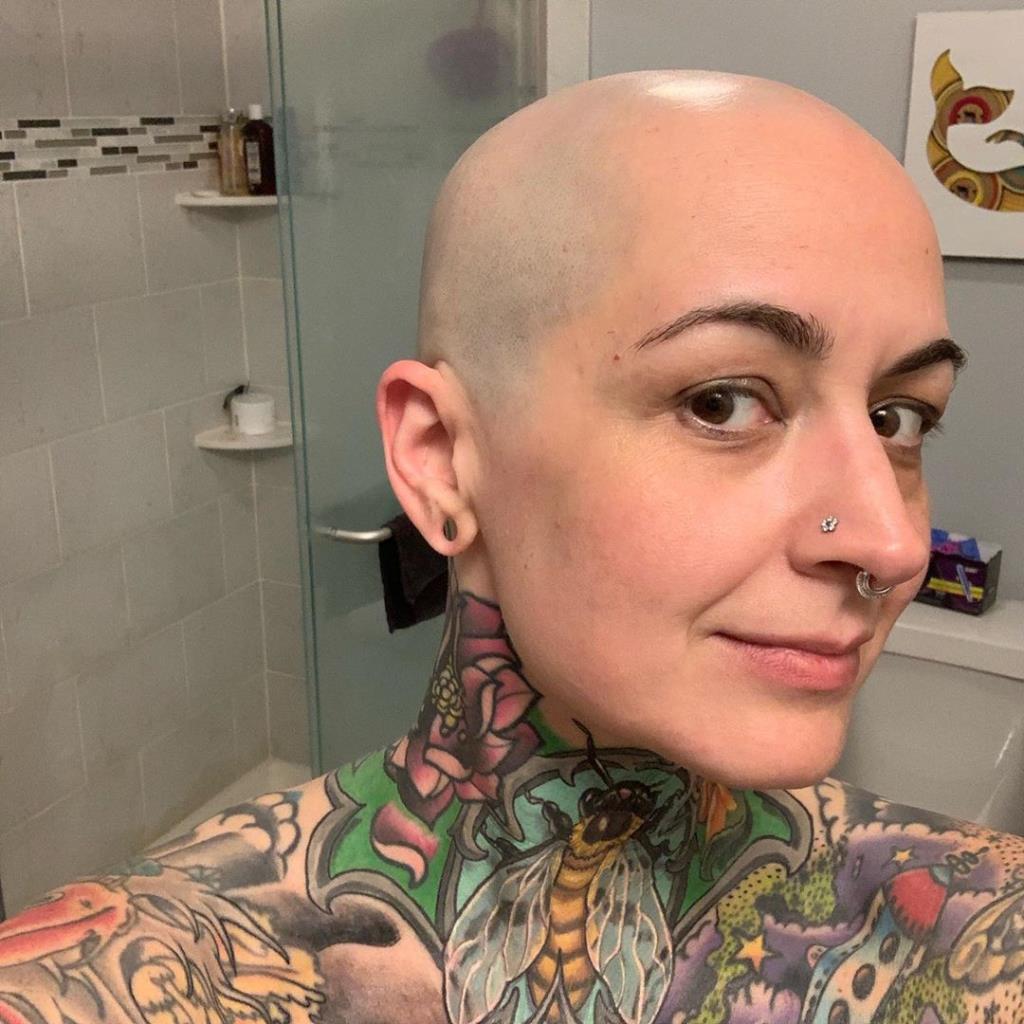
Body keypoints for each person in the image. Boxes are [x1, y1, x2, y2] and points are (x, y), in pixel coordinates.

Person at [0, 70, 1021, 1024]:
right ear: (442, 459)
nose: (892, 544)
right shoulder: (144, 982)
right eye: (722, 402)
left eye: (899, 418)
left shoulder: (968, 931)